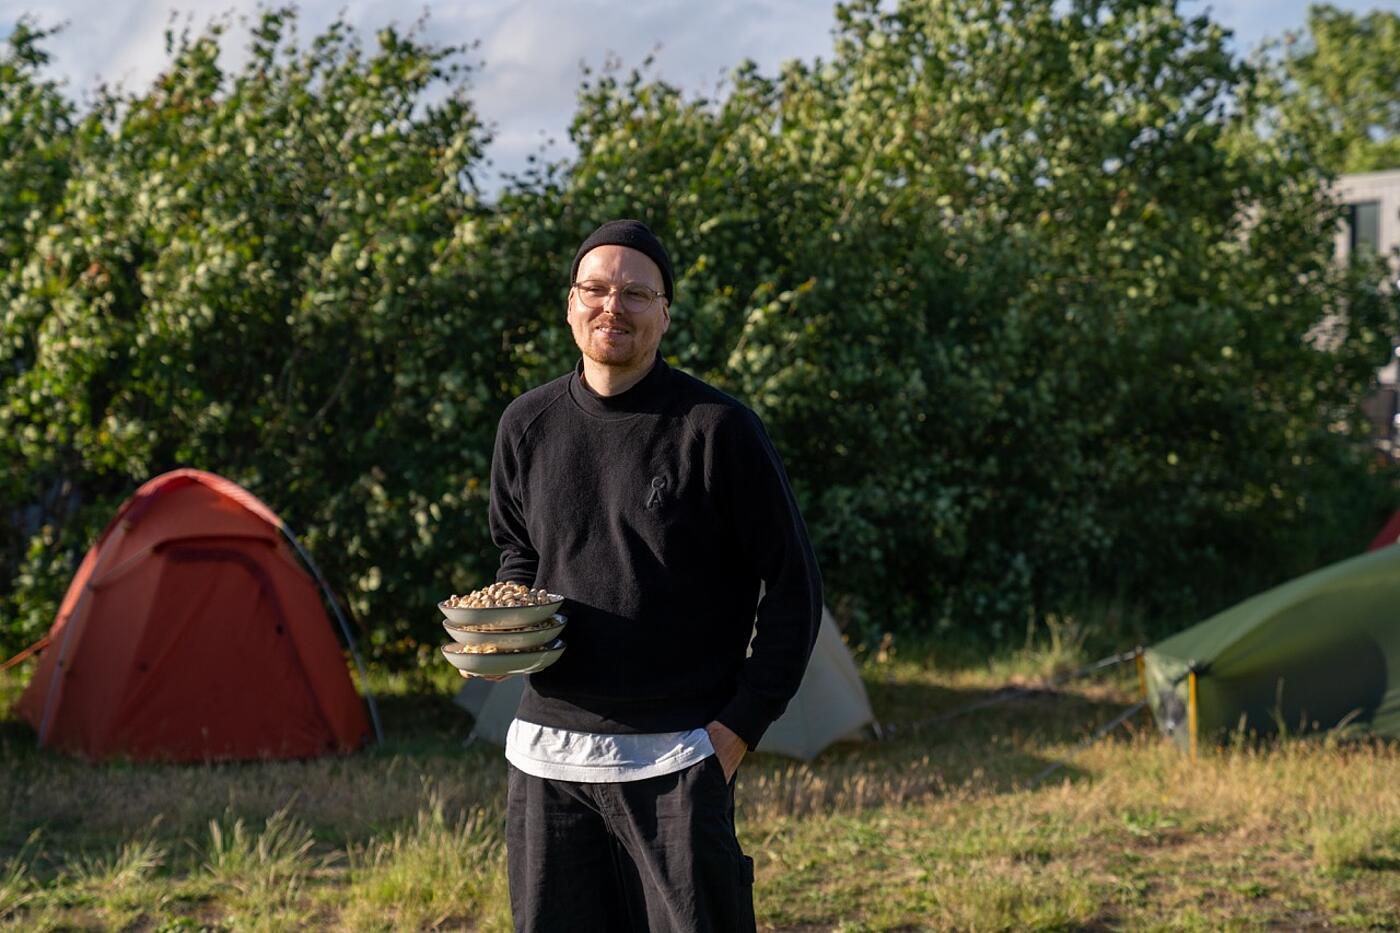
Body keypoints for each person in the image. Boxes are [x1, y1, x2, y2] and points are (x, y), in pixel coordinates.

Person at [474, 218, 822, 932]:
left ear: (665, 312)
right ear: (570, 303)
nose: (613, 307)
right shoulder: (526, 423)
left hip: (676, 758)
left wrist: (738, 727)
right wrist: (502, 631)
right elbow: (518, 553)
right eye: (596, 289)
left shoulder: (717, 428)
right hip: (547, 758)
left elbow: (795, 587)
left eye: (636, 293)